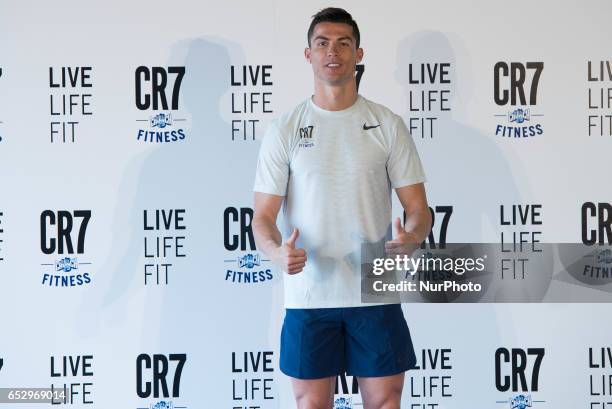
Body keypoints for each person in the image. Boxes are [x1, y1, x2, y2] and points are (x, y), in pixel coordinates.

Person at [252, 7, 431, 409]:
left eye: (343, 43)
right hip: (309, 295)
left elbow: (418, 208)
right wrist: (275, 250)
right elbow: (262, 217)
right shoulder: (285, 129)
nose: (333, 52)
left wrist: (413, 237)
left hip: (376, 291)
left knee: (385, 402)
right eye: (323, 43)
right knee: (311, 405)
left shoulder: (386, 124)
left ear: (359, 54)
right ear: (308, 54)